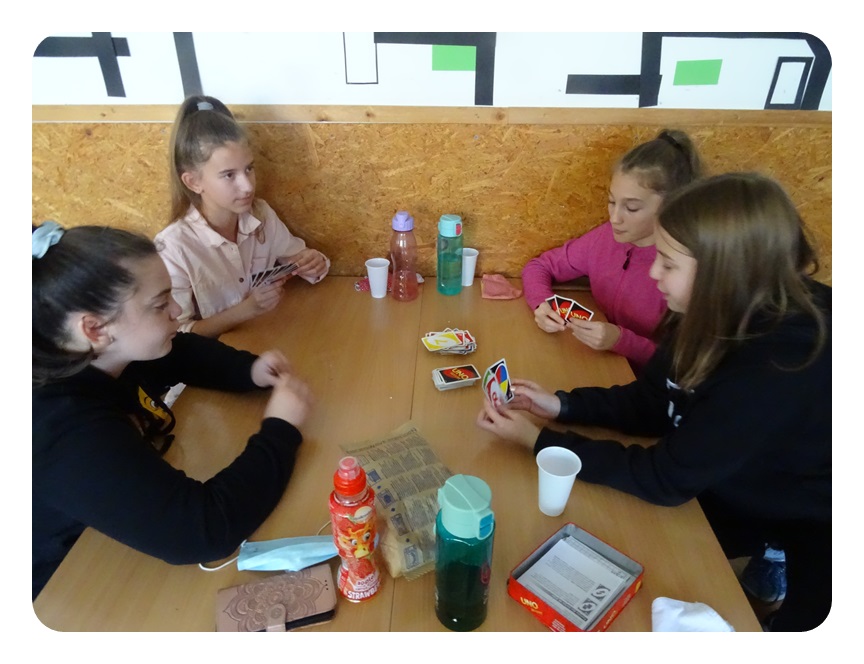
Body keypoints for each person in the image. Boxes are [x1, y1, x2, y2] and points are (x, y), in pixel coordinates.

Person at [478, 173, 831, 631]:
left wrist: (540, 442)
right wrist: (563, 406)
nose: (652, 273)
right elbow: (654, 400)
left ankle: (774, 557)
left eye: (668, 263)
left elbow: (665, 478)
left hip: (817, 507)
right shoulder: (707, 306)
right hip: (736, 467)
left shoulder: (773, 369)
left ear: (725, 274)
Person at [32, 222, 313, 601]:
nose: (177, 310)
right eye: (160, 304)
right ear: (95, 328)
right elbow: (202, 532)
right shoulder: (59, 427)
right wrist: (279, 430)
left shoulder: (99, 351)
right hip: (62, 580)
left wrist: (249, 370)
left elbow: (179, 351)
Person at [522, 129, 703, 374]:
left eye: (631, 208)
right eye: (611, 202)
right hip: (600, 367)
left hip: (650, 383)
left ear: (670, 207)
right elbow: (539, 266)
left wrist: (621, 340)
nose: (614, 218)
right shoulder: (603, 238)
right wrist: (541, 304)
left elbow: (685, 365)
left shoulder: (685, 270)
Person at [155, 95, 330, 338]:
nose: (247, 186)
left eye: (249, 169)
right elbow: (178, 336)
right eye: (229, 175)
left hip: (267, 337)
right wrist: (246, 310)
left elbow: (299, 258)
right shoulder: (173, 247)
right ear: (194, 182)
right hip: (214, 356)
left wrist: (314, 262)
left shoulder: (262, 214)